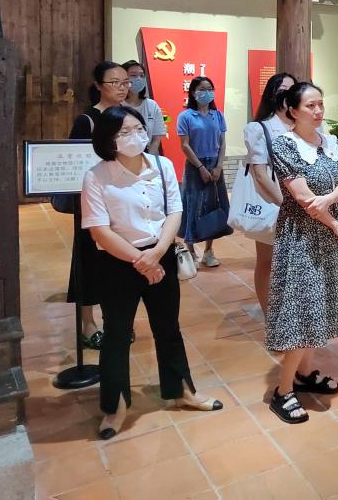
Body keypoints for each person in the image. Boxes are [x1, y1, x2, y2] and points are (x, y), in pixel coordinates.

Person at [81, 105, 221, 440]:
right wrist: (141, 261)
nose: (135, 136)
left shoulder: (162, 165)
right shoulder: (96, 176)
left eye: (139, 129)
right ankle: (115, 406)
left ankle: (182, 391)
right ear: (108, 139)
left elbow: (175, 212)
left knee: (168, 327)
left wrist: (157, 253)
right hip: (118, 263)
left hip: (161, 256)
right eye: (124, 132)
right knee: (117, 334)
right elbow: (100, 230)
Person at [266, 82, 338, 424]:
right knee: (303, 309)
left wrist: (329, 200)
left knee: (320, 306)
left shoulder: (330, 141)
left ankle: (304, 374)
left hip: (329, 235)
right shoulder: (284, 145)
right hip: (302, 237)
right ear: (292, 110)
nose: (318, 111)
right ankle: (283, 390)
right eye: (310, 106)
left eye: (320, 104)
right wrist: (336, 225)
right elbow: (304, 200)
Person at [68, 61, 129, 350]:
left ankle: (116, 321)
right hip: (93, 203)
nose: (122, 88)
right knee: (88, 263)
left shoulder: (128, 116)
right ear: (98, 86)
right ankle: (88, 324)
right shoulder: (87, 120)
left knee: (118, 265)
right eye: (115, 82)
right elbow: (75, 164)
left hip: (122, 200)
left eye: (126, 82)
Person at [243, 71, 296, 316]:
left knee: (294, 261)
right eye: (282, 90)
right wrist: (285, 203)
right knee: (267, 261)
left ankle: (291, 312)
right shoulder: (259, 128)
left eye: (292, 90)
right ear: (272, 95)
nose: (287, 95)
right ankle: (269, 314)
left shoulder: (302, 126)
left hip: (303, 202)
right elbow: (260, 174)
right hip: (274, 202)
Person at [177, 76, 231, 267]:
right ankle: (191, 251)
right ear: (193, 92)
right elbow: (184, 145)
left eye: (210, 89)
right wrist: (200, 167)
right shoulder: (185, 116)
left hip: (215, 165)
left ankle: (208, 251)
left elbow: (222, 142)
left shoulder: (218, 115)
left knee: (213, 206)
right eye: (202, 89)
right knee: (192, 205)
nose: (207, 92)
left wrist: (218, 166)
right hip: (195, 166)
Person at [122, 60, 167, 154]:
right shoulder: (117, 104)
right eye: (133, 75)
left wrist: (148, 158)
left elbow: (156, 139)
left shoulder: (152, 105)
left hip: (147, 155)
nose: (138, 79)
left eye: (142, 76)